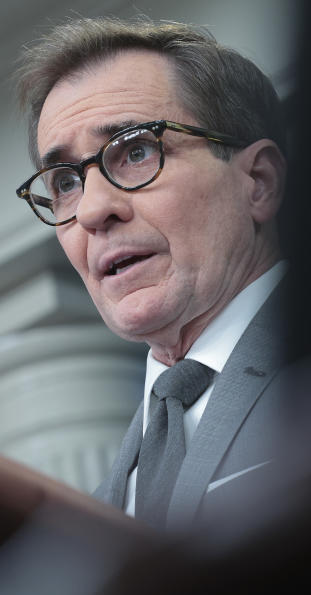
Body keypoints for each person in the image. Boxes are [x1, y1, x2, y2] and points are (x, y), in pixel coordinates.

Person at [13, 17, 289, 532]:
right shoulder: (102, 509)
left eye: (137, 150)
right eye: (65, 182)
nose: (93, 210)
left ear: (258, 181)